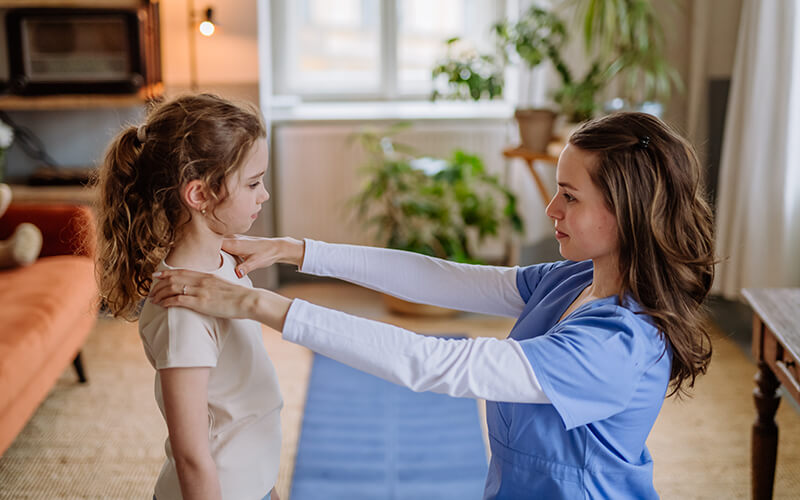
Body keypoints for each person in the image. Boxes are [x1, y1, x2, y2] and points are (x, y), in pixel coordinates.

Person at [149, 111, 716, 499]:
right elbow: (440, 279)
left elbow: (440, 365)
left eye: (569, 196)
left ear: (625, 211)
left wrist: (262, 306)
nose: (551, 209)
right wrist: (297, 251)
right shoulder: (572, 281)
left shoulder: (618, 343)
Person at [95, 93, 282, 500]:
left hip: (251, 483)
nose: (263, 194)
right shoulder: (182, 307)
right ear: (199, 195)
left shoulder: (223, 264)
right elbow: (192, 455)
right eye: (252, 183)